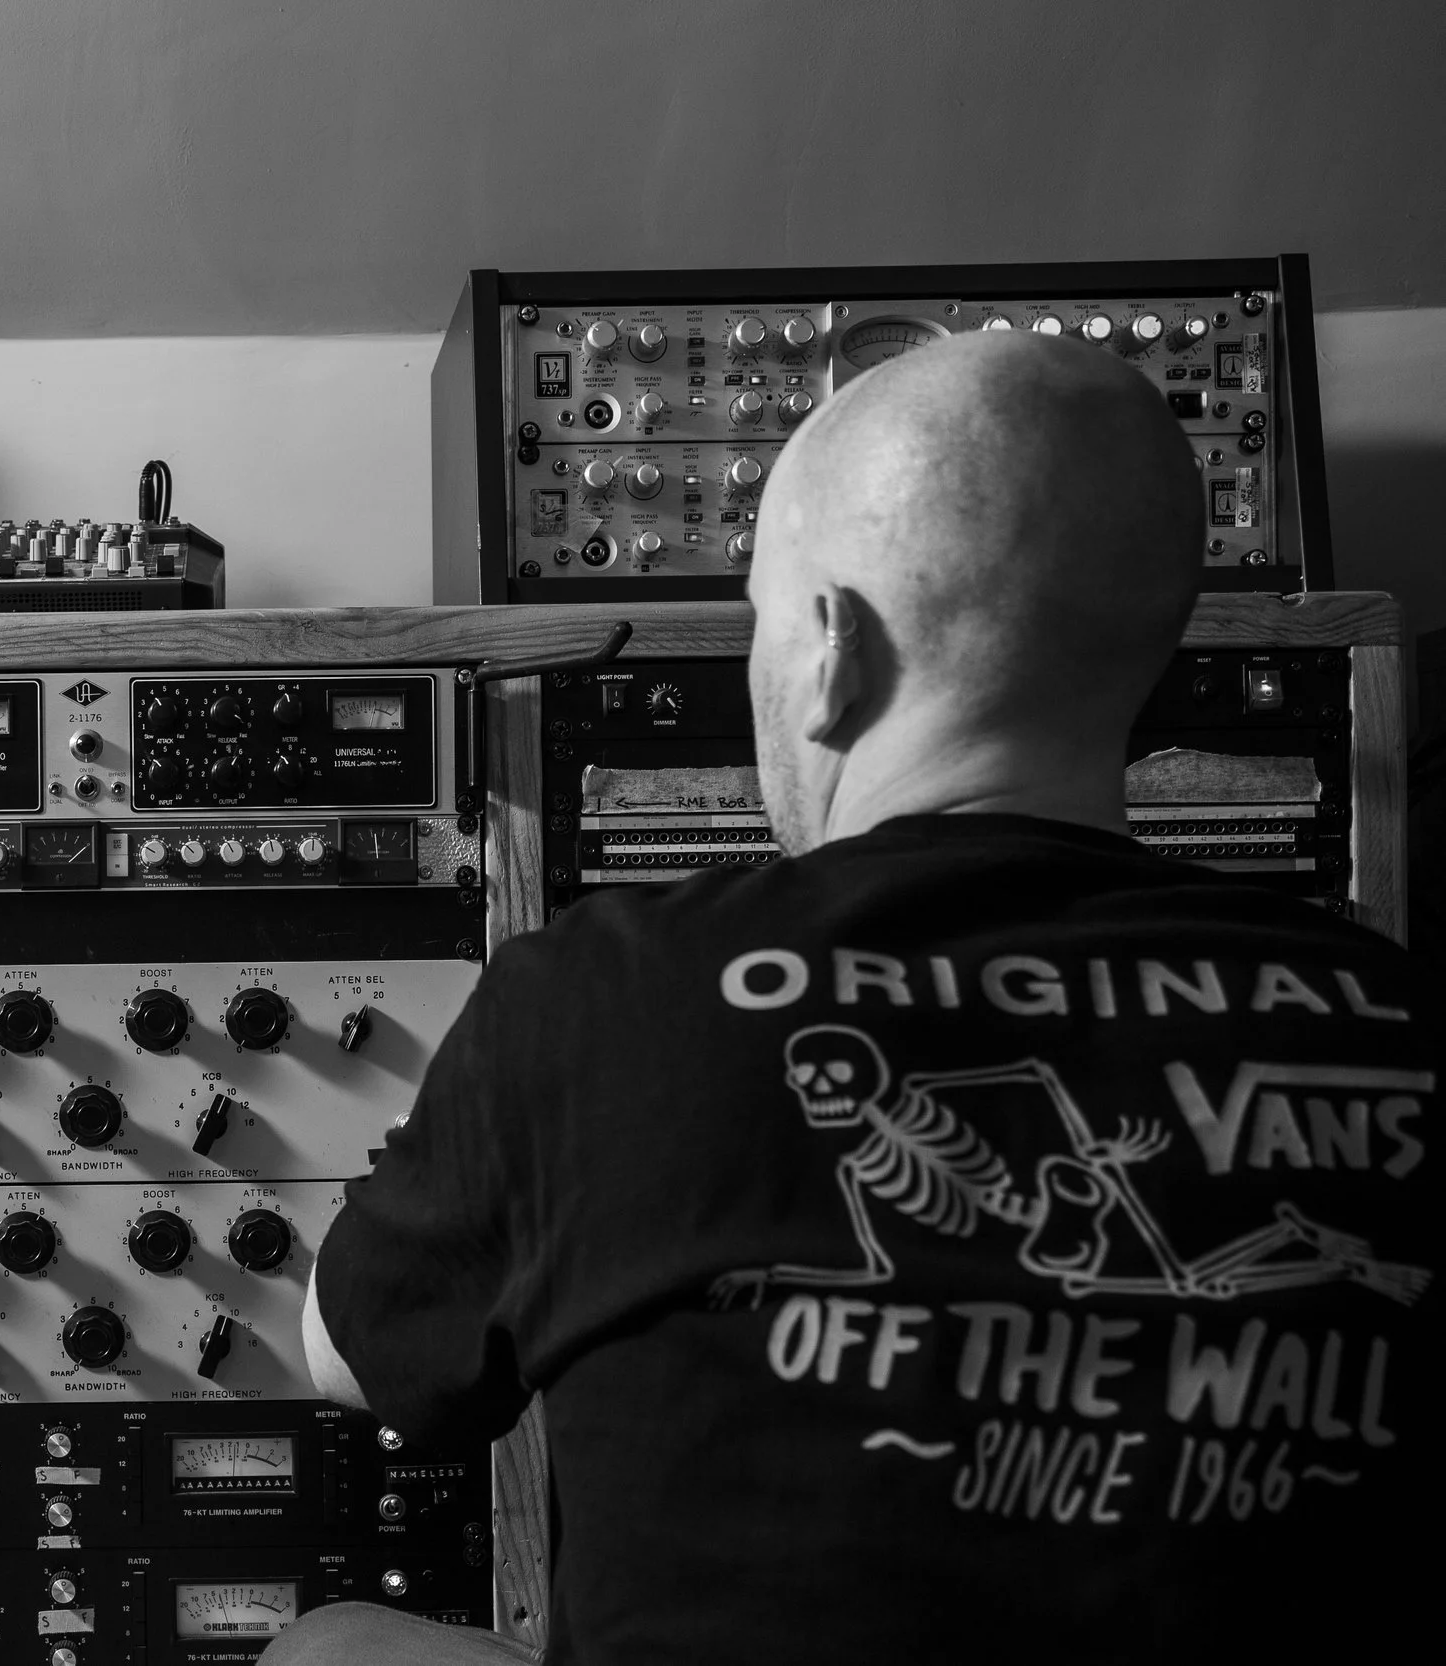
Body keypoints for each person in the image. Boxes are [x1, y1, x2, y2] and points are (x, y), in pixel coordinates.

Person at [270, 331, 1436, 1666]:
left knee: (328, 1647)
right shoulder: (1402, 1014)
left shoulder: (598, 994)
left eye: (761, 620)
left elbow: (351, 1360)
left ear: (829, 649)